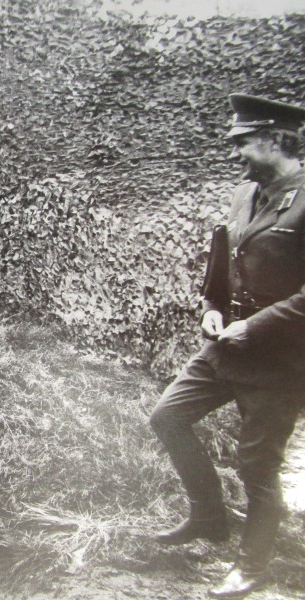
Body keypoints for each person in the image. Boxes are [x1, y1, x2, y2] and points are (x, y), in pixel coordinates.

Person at [150, 93, 305, 598]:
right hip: (223, 346)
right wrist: (211, 305)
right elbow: (226, 254)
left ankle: (253, 562)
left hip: (280, 361)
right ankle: (209, 518)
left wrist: (255, 327)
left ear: (276, 139)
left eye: (242, 142)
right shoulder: (244, 194)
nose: (234, 152)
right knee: (167, 416)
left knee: (257, 463)